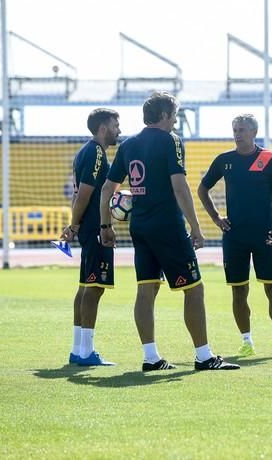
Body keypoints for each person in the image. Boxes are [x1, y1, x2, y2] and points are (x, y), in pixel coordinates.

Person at [99, 91, 239, 372]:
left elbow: (107, 189)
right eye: (174, 115)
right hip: (168, 226)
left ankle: (151, 358)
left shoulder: (128, 145)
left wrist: (106, 226)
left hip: (140, 227)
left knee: (146, 289)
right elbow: (180, 186)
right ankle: (204, 356)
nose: (176, 121)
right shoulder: (171, 141)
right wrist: (196, 227)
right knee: (194, 289)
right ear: (164, 116)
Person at [198, 114, 272, 358]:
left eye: (241, 130)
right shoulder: (224, 160)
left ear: (253, 132)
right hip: (235, 237)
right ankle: (246, 341)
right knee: (239, 292)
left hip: (265, 236)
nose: (237, 134)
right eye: (234, 130)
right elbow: (202, 189)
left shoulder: (270, 159)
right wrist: (217, 218)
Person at [60, 108, 121, 366]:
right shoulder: (96, 152)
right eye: (116, 125)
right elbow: (84, 194)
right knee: (95, 287)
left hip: (87, 227)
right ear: (103, 128)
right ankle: (86, 352)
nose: (119, 129)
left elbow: (79, 194)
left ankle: (78, 349)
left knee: (86, 285)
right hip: (95, 228)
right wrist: (74, 225)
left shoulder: (85, 151)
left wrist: (74, 224)